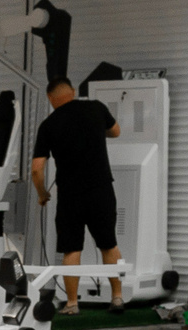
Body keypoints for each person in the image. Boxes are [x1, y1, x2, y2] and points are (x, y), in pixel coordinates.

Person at [30, 78, 121, 314]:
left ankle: (72, 304)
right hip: (101, 188)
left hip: (70, 195)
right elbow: (116, 131)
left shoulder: (48, 125)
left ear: (51, 99)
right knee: (109, 244)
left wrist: (42, 194)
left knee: (72, 249)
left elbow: (37, 168)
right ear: (73, 91)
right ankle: (118, 298)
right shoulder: (96, 107)